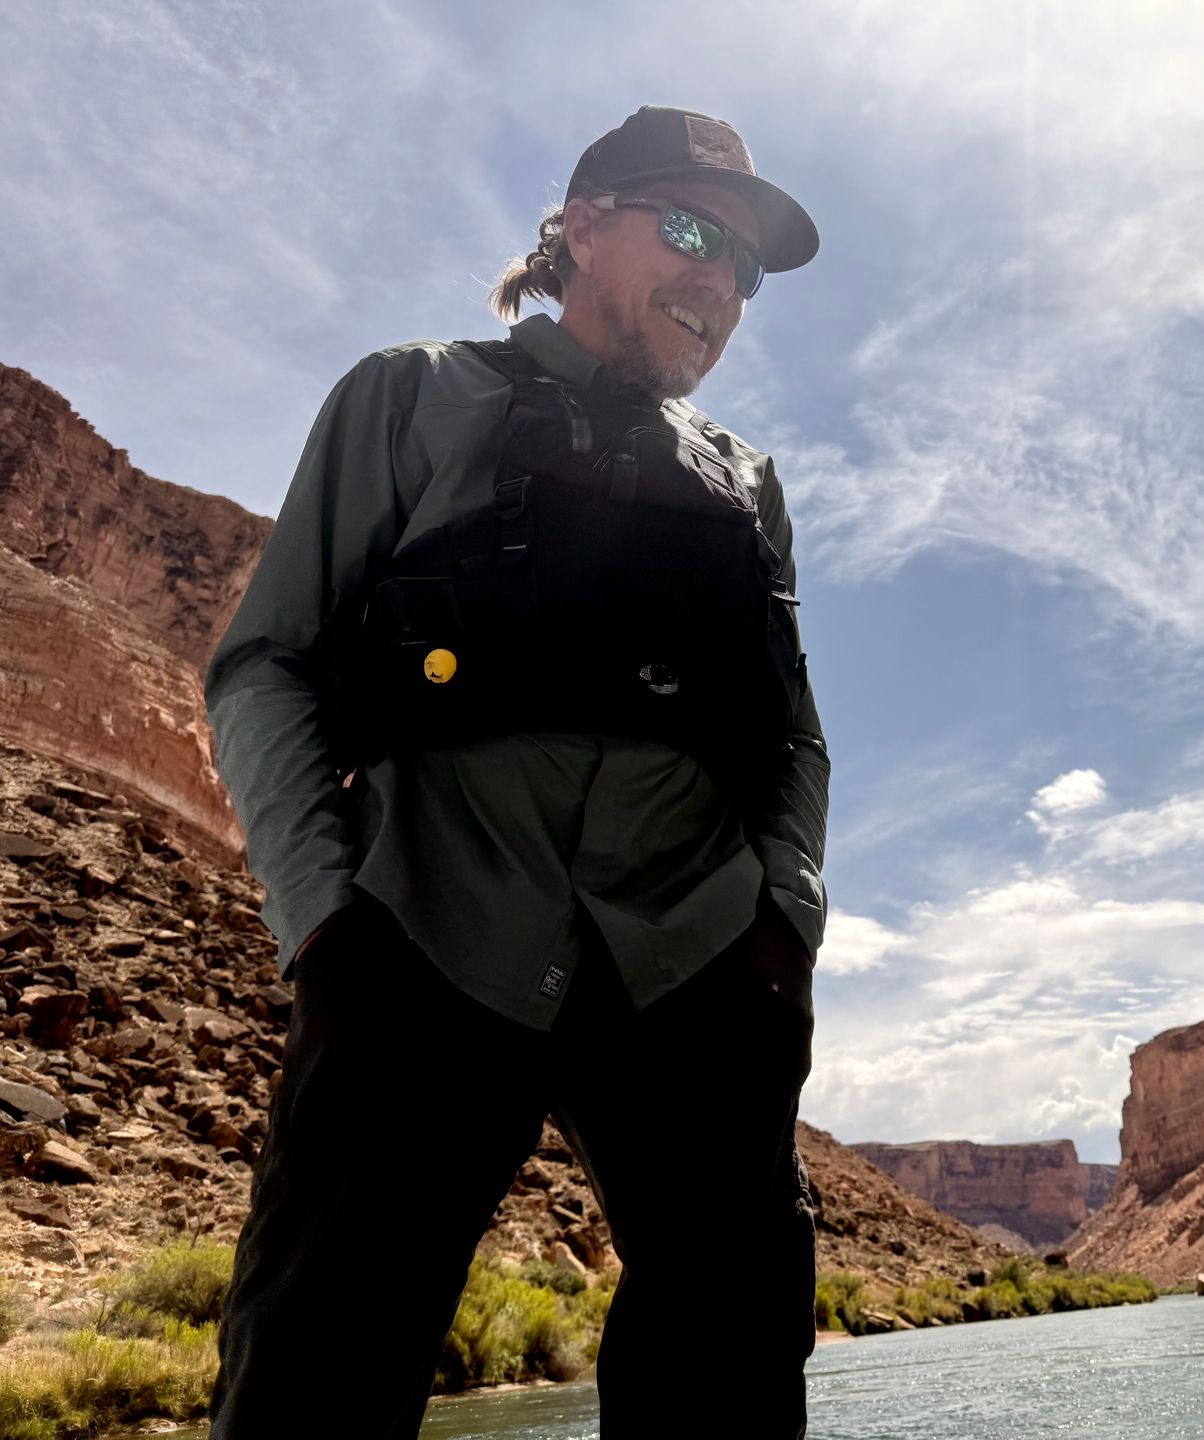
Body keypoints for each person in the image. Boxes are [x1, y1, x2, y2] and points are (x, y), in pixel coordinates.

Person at [202, 104, 829, 1438]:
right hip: (424, 936)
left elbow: (793, 733)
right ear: (583, 228)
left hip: (697, 963)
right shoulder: (409, 397)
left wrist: (786, 929)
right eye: (691, 230)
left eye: (744, 266)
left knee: (733, 1366)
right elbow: (267, 665)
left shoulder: (748, 483)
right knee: (316, 1364)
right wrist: (325, 927)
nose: (720, 281)